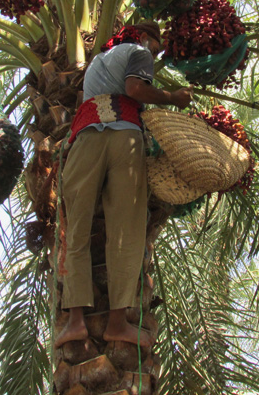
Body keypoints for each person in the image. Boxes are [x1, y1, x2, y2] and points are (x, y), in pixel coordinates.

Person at [55, 22, 192, 348]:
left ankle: (75, 321)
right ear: (145, 38)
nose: (154, 56)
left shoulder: (101, 59)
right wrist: (172, 97)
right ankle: (117, 323)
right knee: (126, 230)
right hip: (123, 136)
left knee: (76, 227)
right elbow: (134, 90)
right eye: (156, 48)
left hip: (86, 135)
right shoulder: (139, 51)